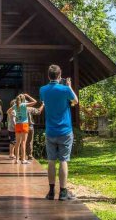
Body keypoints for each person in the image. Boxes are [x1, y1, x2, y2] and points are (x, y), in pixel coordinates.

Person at [40, 65, 78, 201]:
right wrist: (69, 86)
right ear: (60, 74)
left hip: (50, 130)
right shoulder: (65, 89)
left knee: (51, 161)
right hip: (65, 130)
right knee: (63, 160)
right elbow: (75, 101)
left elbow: (45, 101)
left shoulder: (43, 90)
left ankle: (51, 192)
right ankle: (63, 192)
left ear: (48, 75)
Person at [8, 93, 37, 164]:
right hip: (24, 124)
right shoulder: (24, 105)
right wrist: (28, 95)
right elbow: (35, 101)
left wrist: (13, 115)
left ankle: (16, 159)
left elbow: (8, 111)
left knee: (17, 143)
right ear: (23, 99)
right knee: (23, 142)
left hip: (17, 124)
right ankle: (23, 159)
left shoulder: (15, 105)